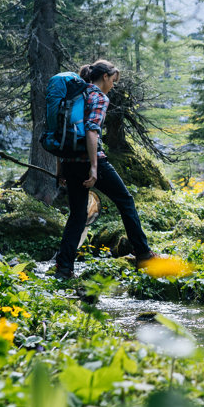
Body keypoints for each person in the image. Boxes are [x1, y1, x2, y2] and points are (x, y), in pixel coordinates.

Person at [53, 59, 154, 280]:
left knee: (78, 215)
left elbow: (63, 135)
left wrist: (60, 169)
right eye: (113, 80)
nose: (113, 85)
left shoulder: (74, 96)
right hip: (89, 161)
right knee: (125, 201)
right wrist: (95, 168)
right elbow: (91, 131)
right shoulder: (98, 97)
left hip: (69, 162)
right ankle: (144, 254)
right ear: (105, 77)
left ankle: (63, 267)